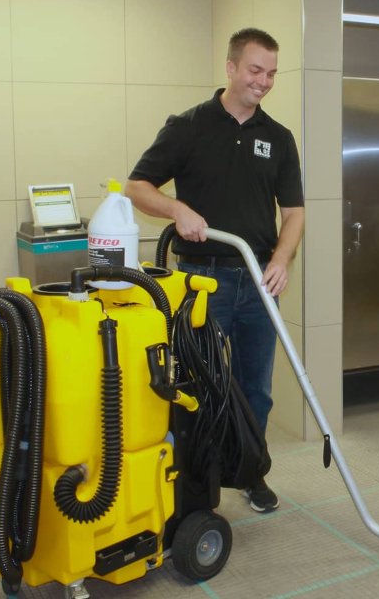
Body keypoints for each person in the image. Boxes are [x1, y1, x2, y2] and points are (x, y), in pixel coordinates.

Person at [124, 27, 305, 513]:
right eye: (255, 70)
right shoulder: (189, 126)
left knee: (255, 390)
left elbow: (294, 213)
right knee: (196, 385)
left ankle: (250, 472)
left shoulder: (278, 138)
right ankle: (195, 485)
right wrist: (176, 209)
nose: (263, 81)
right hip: (202, 281)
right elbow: (137, 186)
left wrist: (281, 259)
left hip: (259, 280)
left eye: (271, 73)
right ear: (230, 67)